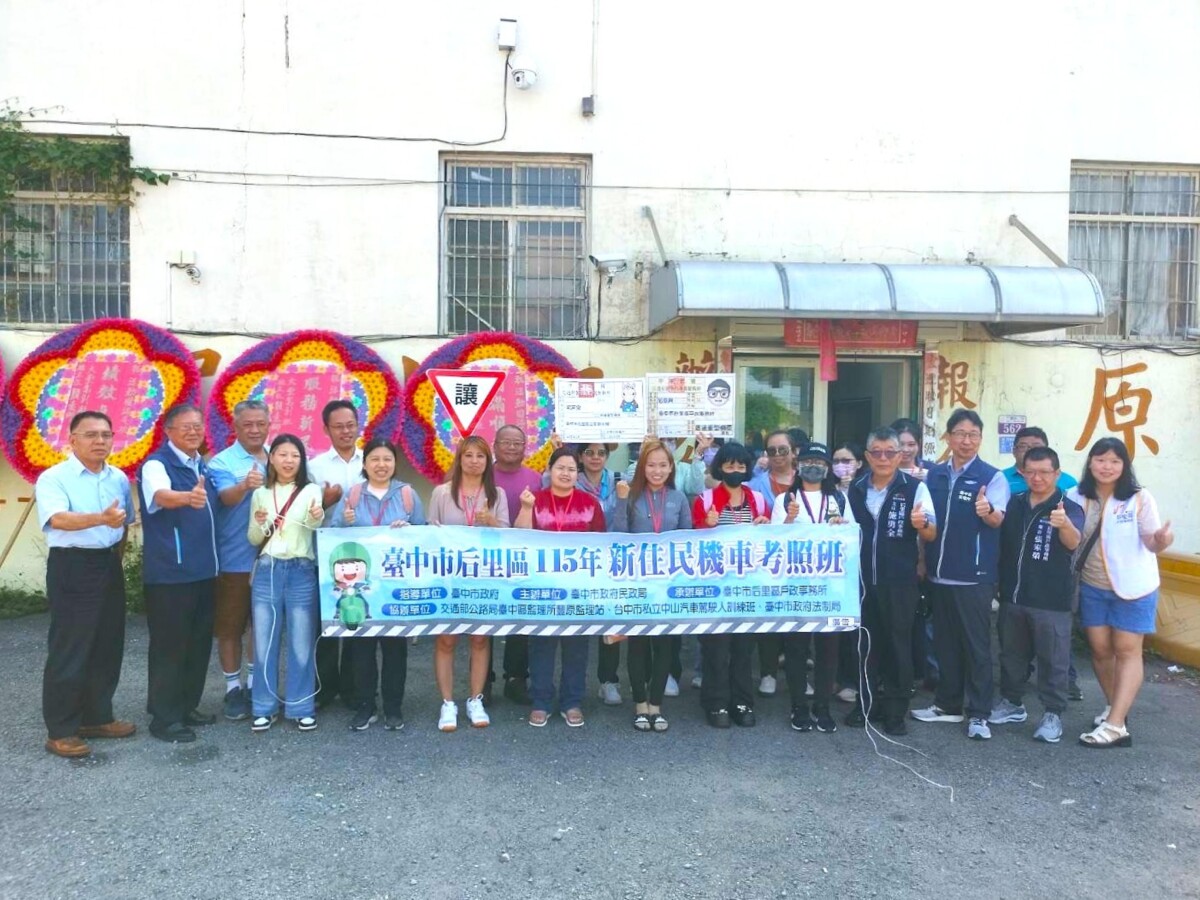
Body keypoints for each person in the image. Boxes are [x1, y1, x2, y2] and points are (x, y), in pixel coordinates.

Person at [36, 411, 137, 759]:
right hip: (72, 564)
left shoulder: (118, 478)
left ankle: (97, 717)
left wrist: (114, 554)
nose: (100, 441)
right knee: (71, 645)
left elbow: (125, 522)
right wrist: (100, 519)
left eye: (106, 435)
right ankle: (61, 729)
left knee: (107, 643)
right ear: (72, 440)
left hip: (107, 563)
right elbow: (58, 519)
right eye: (91, 434)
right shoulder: (54, 478)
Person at [912, 409, 1010, 740]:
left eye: (973, 435)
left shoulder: (991, 477)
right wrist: (922, 560)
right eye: (960, 434)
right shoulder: (935, 476)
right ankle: (948, 705)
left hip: (973, 577)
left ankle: (979, 713)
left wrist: (987, 510)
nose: (966, 440)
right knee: (945, 645)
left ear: (980, 439)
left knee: (976, 647)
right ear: (948, 437)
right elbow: (926, 523)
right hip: (939, 575)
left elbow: (997, 519)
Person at [1069, 438, 1173, 748]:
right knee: (1100, 650)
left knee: (1127, 650)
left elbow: (1151, 542)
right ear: (1090, 463)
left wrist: (1162, 539)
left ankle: (1115, 725)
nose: (1107, 467)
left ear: (1124, 466)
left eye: (1115, 461)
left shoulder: (1139, 498)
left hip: (1134, 587)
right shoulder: (1075, 496)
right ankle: (1116, 708)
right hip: (1092, 585)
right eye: (1101, 460)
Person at [326, 438, 426, 732]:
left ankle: (393, 708)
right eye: (375, 459)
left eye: (387, 459)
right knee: (362, 650)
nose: (381, 465)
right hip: (361, 590)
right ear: (365, 463)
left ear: (394, 463)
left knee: (395, 650)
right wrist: (345, 523)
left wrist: (409, 531)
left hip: (395, 589)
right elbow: (333, 536)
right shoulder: (353, 495)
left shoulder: (407, 495)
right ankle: (365, 706)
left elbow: (424, 536)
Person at [989, 447, 1084, 743]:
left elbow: (1073, 542)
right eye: (1030, 472)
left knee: (1053, 659)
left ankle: (1053, 713)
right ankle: (1012, 703)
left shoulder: (1068, 508)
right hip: (1013, 596)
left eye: (1044, 472)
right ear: (1023, 473)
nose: (1037, 478)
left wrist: (1064, 524)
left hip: (1051, 601)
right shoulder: (1014, 503)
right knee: (1011, 655)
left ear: (1057, 474)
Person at [845, 429, 937, 734]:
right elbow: (845, 530)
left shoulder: (915, 489)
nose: (883, 458)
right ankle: (866, 705)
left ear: (900, 456)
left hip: (899, 582)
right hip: (861, 581)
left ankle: (896, 711)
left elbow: (931, 532)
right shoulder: (856, 488)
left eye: (889, 452)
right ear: (867, 456)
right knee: (865, 644)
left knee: (899, 644)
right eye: (876, 452)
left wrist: (921, 524)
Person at [138, 403, 219, 744]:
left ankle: (186, 706)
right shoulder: (157, 464)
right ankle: (164, 718)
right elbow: (161, 496)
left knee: (197, 644)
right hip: (171, 574)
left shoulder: (201, 464)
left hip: (203, 571)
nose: (193, 431)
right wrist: (187, 497)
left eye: (197, 426)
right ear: (168, 431)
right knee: (170, 647)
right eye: (185, 426)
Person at [515, 447, 606, 727]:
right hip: (541, 588)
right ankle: (541, 701)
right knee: (541, 645)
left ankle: (572, 701)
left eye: (571, 469)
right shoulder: (536, 500)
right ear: (549, 470)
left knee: (576, 646)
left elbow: (601, 546)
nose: (566, 473)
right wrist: (526, 509)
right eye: (560, 468)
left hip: (578, 590)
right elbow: (518, 539)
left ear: (578, 474)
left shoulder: (590, 503)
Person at [772, 441, 858, 733]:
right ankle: (798, 706)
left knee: (828, 648)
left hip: (831, 586)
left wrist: (843, 527)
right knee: (796, 648)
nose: (814, 467)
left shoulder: (840, 499)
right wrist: (789, 518)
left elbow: (852, 536)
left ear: (828, 468)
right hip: (796, 585)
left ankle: (822, 706)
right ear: (798, 466)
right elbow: (772, 542)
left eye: (820, 463)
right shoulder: (785, 499)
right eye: (808, 461)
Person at [428, 435, 509, 732]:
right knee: (447, 639)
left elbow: (509, 537)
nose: (474, 461)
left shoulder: (497, 494)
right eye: (469, 455)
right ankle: (447, 702)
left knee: (479, 638)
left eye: (480, 456)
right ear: (459, 459)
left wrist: (491, 522)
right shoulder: (441, 493)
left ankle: (475, 699)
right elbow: (430, 534)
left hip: (484, 576)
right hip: (449, 577)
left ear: (488, 462)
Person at [610, 440, 691, 732]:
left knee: (665, 645)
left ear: (671, 468)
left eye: (663, 465)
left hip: (668, 584)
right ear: (642, 467)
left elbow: (687, 539)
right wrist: (621, 501)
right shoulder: (630, 495)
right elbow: (619, 535)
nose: (657, 471)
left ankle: (656, 704)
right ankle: (640, 704)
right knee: (638, 646)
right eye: (651, 465)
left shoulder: (679, 498)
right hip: (638, 583)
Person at [248, 434, 325, 732]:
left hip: (301, 570)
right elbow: (253, 538)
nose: (289, 460)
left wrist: (317, 515)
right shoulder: (260, 493)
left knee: (301, 641)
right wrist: (259, 522)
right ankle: (263, 707)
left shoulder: (311, 490)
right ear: (272, 458)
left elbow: (313, 525)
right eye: (282, 454)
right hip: (268, 569)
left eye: (295, 455)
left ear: (302, 460)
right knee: (264, 642)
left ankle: (301, 706)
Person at [692, 441, 770, 728]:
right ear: (720, 467)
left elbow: (771, 539)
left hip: (747, 586)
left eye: (740, 465)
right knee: (716, 648)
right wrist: (706, 525)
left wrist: (765, 525)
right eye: (729, 465)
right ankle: (716, 703)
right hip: (714, 588)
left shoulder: (757, 499)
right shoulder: (705, 499)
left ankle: (742, 701)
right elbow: (692, 543)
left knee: (743, 648)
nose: (735, 469)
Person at [206, 399, 270, 721]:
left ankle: (256, 685)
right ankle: (233, 688)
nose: (255, 430)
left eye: (261, 424)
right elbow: (225, 497)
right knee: (230, 627)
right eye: (248, 424)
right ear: (235, 427)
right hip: (234, 559)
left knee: (262, 626)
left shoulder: (279, 456)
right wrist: (245, 485)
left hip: (272, 558)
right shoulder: (222, 462)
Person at [308, 399, 365, 710]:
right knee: (326, 625)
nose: (345, 431)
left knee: (357, 621)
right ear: (326, 429)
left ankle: (354, 688)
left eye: (350, 425)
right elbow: (304, 511)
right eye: (338, 426)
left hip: (365, 556)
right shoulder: (314, 467)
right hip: (326, 556)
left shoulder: (371, 460)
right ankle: (324, 688)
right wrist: (327, 500)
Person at [490, 424, 542, 704]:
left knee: (520, 620)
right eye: (505, 442)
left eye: (517, 443)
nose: (511, 447)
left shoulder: (536, 479)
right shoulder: (482, 474)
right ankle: (483, 681)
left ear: (525, 447)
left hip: (524, 558)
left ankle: (516, 677)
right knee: (484, 620)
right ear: (495, 446)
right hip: (486, 558)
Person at [748, 429, 800, 697]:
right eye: (772, 451)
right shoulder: (755, 485)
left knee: (798, 621)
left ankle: (797, 675)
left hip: (801, 563)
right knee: (768, 617)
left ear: (794, 452)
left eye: (783, 450)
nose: (778, 455)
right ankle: (768, 673)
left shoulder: (807, 481)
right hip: (766, 563)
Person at [831, 441, 866, 703]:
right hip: (835, 569)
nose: (841, 466)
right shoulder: (828, 492)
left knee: (860, 628)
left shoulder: (865, 489)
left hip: (863, 567)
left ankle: (859, 680)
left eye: (847, 460)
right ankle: (840, 679)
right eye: (836, 461)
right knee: (839, 629)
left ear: (859, 463)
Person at [1003, 427, 1079, 496]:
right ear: (1014, 451)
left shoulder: (1068, 482)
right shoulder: (1001, 478)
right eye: (1023, 446)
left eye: (1036, 446)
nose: (1029, 450)